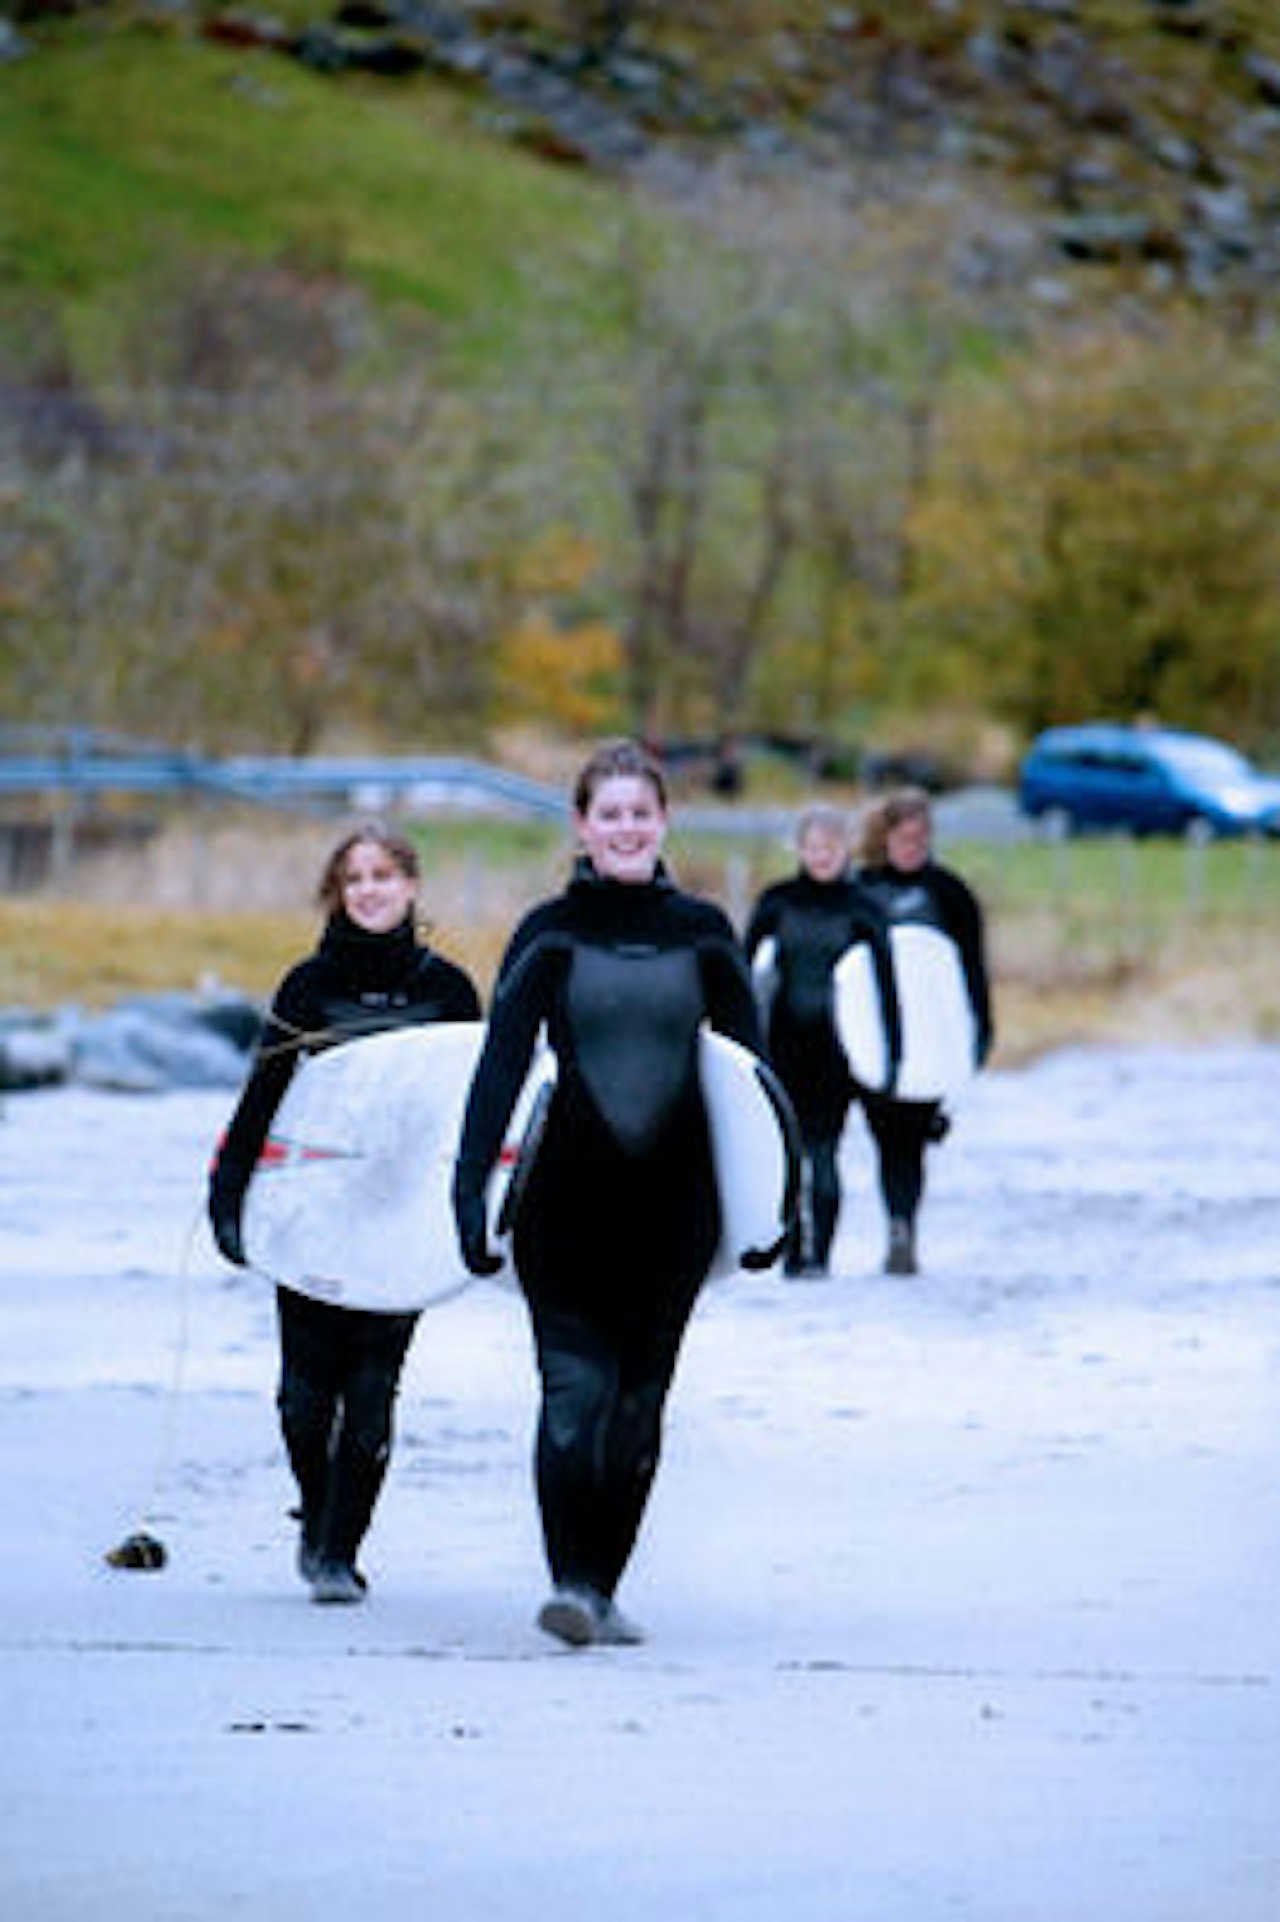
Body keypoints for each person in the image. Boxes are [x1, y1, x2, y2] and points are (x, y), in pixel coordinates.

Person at [451, 739, 770, 1649]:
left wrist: (776, 1208)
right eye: (609, 814)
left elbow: (754, 1078)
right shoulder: (548, 931)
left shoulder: (704, 931)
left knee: (638, 1404)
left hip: (676, 1210)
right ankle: (571, 1586)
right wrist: (468, 1193)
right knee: (573, 1391)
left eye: (640, 813)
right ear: (582, 827)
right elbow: (497, 1069)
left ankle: (600, 1587)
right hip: (564, 1205)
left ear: (664, 821)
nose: (626, 828)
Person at [208, 824, 481, 1604]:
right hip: (311, 1213)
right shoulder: (307, 986)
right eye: (354, 878)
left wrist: (474, 1212)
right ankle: (316, 1512)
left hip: (402, 1218)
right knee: (302, 1402)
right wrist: (227, 1196)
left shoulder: (450, 991)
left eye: (383, 876)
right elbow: (262, 1098)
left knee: (369, 1396)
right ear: (337, 892)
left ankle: (338, 1552)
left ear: (411, 886)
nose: (369, 890)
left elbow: (471, 1113)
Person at [743, 805, 901, 1278]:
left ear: (846, 847)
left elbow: (887, 988)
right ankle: (792, 1251)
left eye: (830, 846)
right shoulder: (776, 901)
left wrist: (893, 1054)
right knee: (785, 1157)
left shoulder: (864, 907)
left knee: (824, 1152)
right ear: (799, 849)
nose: (821, 855)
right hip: (782, 1044)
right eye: (812, 847)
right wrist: (740, 1044)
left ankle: (820, 1256)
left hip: (839, 1050)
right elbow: (739, 974)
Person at [855, 786, 994, 1277]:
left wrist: (979, 1032)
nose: (914, 847)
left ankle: (902, 1228)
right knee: (886, 1135)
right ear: (885, 836)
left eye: (922, 838)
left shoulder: (949, 893)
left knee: (911, 1138)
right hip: (875, 1038)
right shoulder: (860, 889)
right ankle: (897, 1220)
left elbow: (971, 969)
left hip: (929, 1038)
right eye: (905, 838)